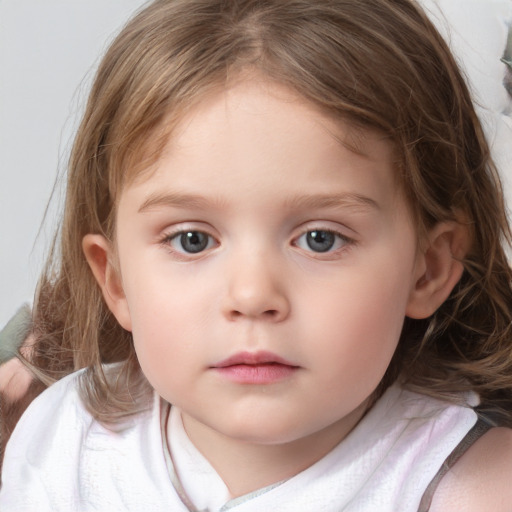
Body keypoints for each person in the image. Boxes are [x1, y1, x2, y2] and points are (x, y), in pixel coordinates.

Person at [1, 0, 512, 509]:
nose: (252, 295)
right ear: (115, 281)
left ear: (429, 270)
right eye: (191, 240)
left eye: (321, 239)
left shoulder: (472, 488)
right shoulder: (64, 443)